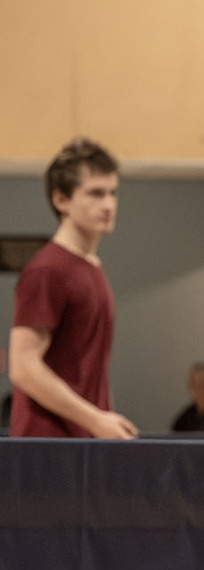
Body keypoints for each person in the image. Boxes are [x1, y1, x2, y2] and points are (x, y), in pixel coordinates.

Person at [7, 138, 138, 439]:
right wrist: (95, 420)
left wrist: (103, 419)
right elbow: (23, 366)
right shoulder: (47, 270)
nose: (108, 205)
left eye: (112, 193)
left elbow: (90, 369)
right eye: (95, 193)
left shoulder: (91, 267)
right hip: (49, 446)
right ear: (61, 200)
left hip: (82, 442)